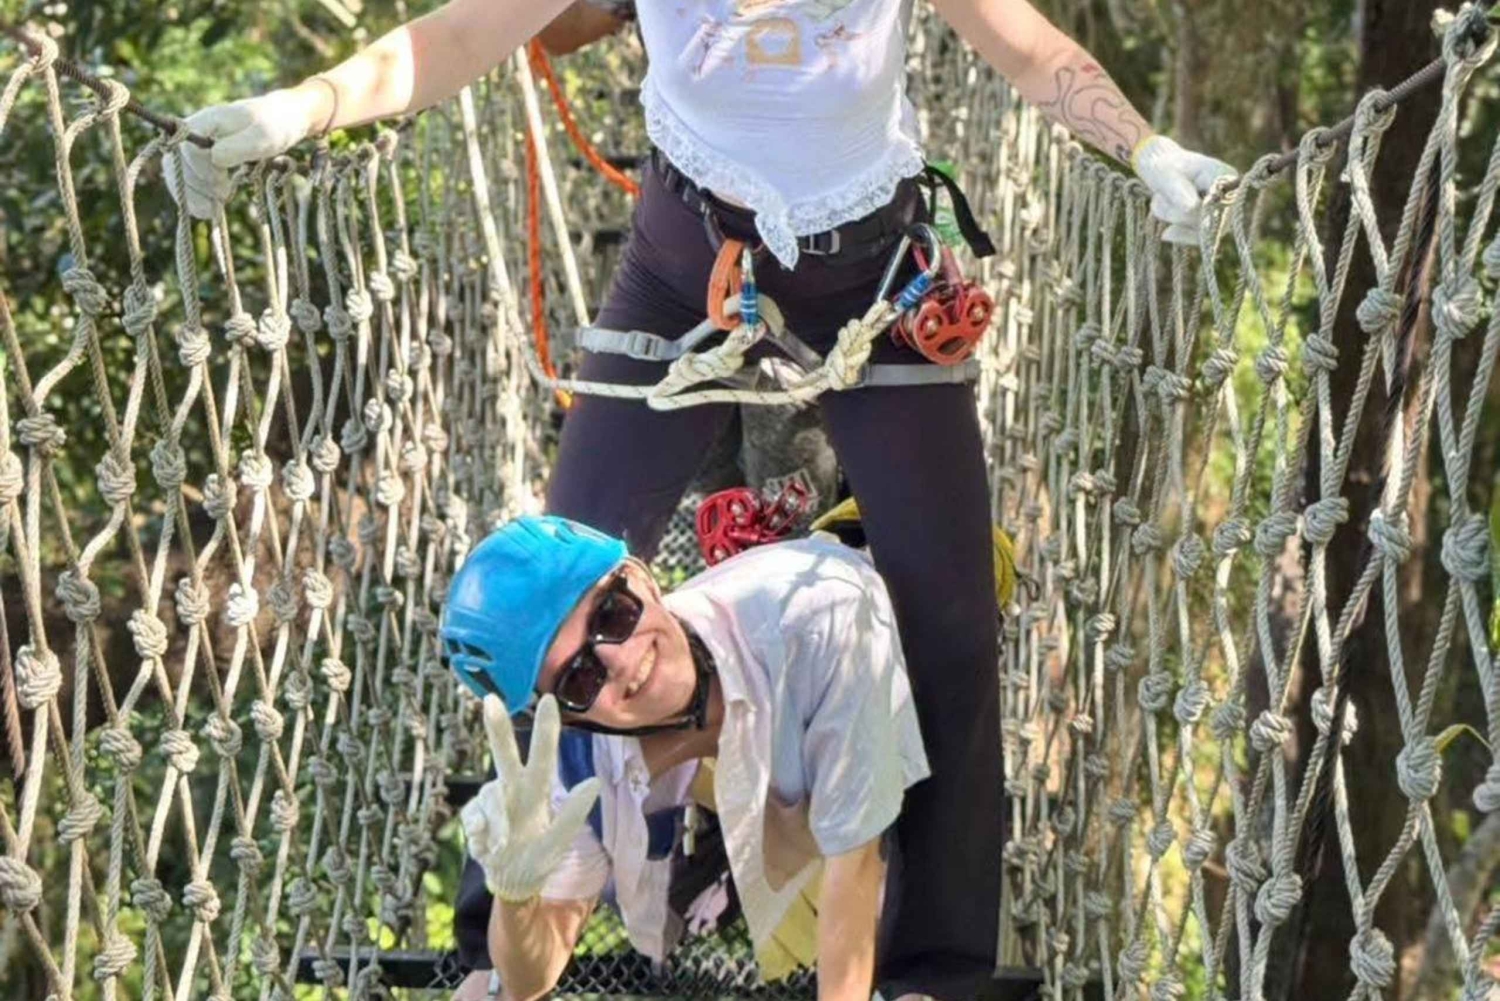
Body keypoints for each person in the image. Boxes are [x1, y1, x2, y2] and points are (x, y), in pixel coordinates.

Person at [168, 2, 1234, 997]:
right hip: (690, 269)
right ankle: (506, 936)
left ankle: (934, 968)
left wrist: (1146, 149)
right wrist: (293, 112)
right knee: (554, 590)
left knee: (949, 626)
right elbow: (459, 35)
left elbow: (1022, 43)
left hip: (873, 280)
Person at [442, 514, 930, 1001]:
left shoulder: (819, 623)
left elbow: (856, 862)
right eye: (579, 677)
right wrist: (514, 896)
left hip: (903, 765)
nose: (621, 660)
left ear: (641, 577)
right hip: (730, 840)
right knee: (483, 995)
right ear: (569, 717)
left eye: (613, 615)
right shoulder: (579, 760)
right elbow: (533, 977)